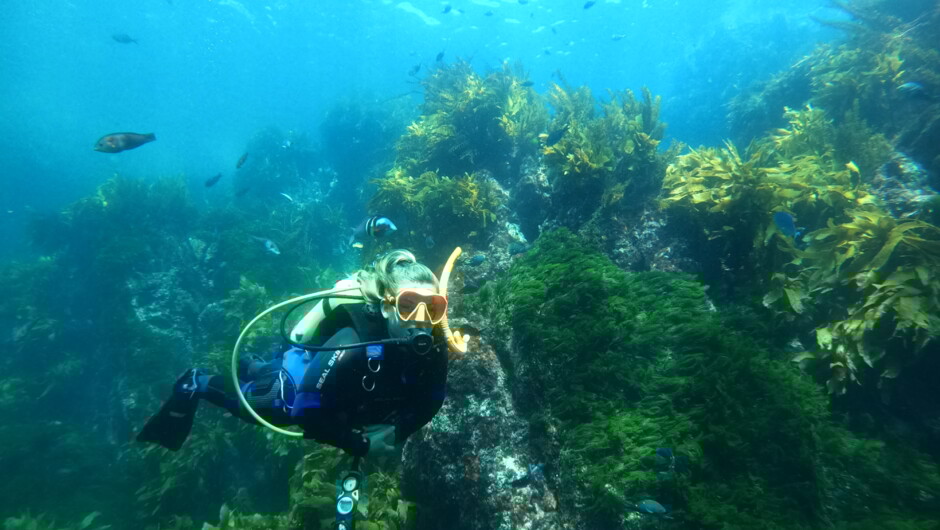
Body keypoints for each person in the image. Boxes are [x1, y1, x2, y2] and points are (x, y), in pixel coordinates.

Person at [137, 250, 449, 458]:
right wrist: (361, 444)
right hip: (303, 381)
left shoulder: (432, 342)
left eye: (433, 307)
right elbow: (304, 410)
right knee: (260, 406)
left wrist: (398, 430)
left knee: (266, 376)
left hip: (345, 394)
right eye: (408, 305)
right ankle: (197, 382)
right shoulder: (352, 340)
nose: (421, 318)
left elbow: (434, 396)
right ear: (386, 305)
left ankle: (256, 364)